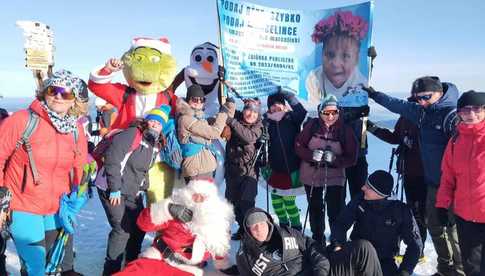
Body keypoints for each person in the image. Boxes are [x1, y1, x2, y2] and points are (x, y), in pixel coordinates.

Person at [364, 76, 464, 275]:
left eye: (426, 97)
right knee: (435, 228)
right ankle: (445, 268)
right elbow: (397, 105)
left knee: (454, 231)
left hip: (454, 186)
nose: (421, 102)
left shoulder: (451, 116)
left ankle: (460, 270)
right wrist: (374, 95)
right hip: (432, 183)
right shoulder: (421, 113)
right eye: (417, 98)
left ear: (439, 93)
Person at [0, 70, 88, 276]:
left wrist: (77, 197)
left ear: (74, 100)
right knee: (36, 268)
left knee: (55, 265)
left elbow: (79, 167)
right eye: (53, 90)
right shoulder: (22, 120)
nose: (58, 96)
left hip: (57, 209)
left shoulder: (75, 129)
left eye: (65, 93)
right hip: (23, 206)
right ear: (44, 92)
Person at [96, 106, 171, 275]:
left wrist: (143, 187)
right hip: (110, 187)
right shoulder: (132, 134)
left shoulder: (154, 143)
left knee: (139, 226)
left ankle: (131, 262)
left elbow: (142, 169)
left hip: (132, 191)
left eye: (159, 124)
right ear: (146, 121)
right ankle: (111, 270)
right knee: (122, 230)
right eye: (152, 120)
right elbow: (112, 159)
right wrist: (114, 188)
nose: (154, 125)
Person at [114, 178, 235, 276]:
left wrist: (228, 267)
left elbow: (220, 252)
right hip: (158, 258)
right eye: (195, 195)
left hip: (186, 269)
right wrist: (167, 209)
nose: (198, 200)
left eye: (203, 197)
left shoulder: (217, 222)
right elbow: (142, 223)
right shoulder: (176, 207)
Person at [237, 207, 383, 276]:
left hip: (319, 271)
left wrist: (321, 271)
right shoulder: (246, 256)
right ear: (248, 231)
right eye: (253, 227)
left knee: (363, 248)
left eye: (261, 224)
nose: (258, 229)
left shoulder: (286, 232)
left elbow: (313, 247)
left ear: (268, 223)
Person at [367, 99, 427, 258]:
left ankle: (418, 250)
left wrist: (412, 144)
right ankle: (415, 248)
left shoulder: (427, 117)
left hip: (423, 174)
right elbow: (395, 138)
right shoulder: (406, 117)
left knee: (419, 213)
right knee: (411, 210)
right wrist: (371, 127)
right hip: (408, 171)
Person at [331, 170, 423, 276]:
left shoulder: (400, 211)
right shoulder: (360, 200)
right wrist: (338, 244)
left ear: (379, 193)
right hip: (357, 254)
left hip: (383, 261)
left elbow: (415, 245)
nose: (363, 188)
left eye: (368, 187)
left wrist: (404, 271)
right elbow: (341, 223)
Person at [295, 94, 358, 245]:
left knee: (335, 210)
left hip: (335, 176)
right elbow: (298, 145)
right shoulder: (312, 125)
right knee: (315, 208)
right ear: (320, 112)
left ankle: (336, 239)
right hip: (312, 174)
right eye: (326, 113)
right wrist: (311, 155)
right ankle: (318, 237)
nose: (330, 116)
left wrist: (336, 160)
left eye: (334, 112)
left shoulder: (345, 130)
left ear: (339, 112)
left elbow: (352, 157)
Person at [436, 90, 485, 276]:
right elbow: (448, 177)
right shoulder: (455, 141)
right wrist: (442, 205)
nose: (471, 114)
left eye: (477, 109)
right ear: (458, 113)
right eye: (465, 110)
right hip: (465, 218)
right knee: (472, 267)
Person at [264, 88, 307, 232]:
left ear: (283, 105)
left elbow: (302, 112)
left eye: (278, 104)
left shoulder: (292, 118)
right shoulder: (267, 122)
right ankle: (283, 226)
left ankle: (295, 227)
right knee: (276, 203)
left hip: (292, 168)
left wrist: (288, 96)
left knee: (289, 202)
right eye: (272, 105)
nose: (276, 107)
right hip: (275, 169)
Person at [306, 10, 369, 103]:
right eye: (330, 55)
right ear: (322, 55)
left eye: (345, 56)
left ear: (356, 59)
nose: (336, 63)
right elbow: (314, 108)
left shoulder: (361, 83)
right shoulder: (315, 78)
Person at [177, 84, 235, 182]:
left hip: (204, 168)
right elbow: (214, 133)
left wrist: (230, 105)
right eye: (195, 99)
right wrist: (223, 112)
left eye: (202, 100)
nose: (198, 102)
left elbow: (223, 121)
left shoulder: (199, 117)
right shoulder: (186, 119)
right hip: (196, 170)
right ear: (188, 100)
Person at [223, 98, 263, 240]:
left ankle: (252, 233)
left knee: (247, 204)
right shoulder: (236, 118)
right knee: (233, 203)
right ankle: (242, 229)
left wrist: (232, 122)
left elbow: (249, 137)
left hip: (248, 172)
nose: (251, 114)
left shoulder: (258, 127)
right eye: (248, 110)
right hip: (232, 171)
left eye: (254, 112)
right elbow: (223, 113)